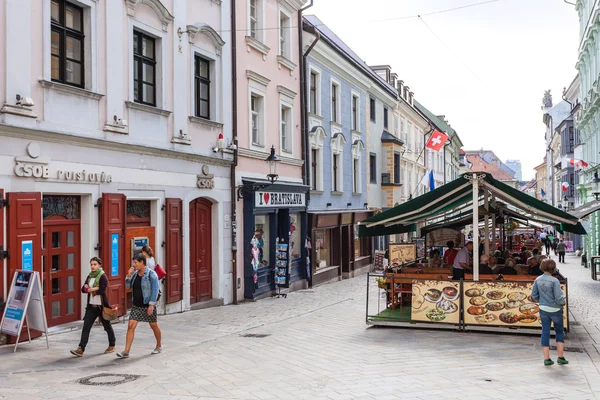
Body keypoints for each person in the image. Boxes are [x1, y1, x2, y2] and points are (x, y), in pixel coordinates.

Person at [117, 254, 161, 358]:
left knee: (153, 326)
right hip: (136, 305)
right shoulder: (135, 274)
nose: (134, 264)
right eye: (134, 262)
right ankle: (126, 351)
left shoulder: (151, 274)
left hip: (147, 305)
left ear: (142, 262)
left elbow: (155, 290)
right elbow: (128, 286)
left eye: (136, 262)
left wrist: (151, 305)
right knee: (131, 326)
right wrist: (128, 275)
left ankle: (158, 345)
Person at [70, 257, 116, 357]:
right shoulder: (90, 276)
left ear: (99, 265)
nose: (93, 266)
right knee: (86, 327)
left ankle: (112, 344)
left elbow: (102, 290)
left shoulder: (102, 276)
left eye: (95, 264)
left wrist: (91, 289)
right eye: (91, 264)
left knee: (107, 326)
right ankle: (81, 349)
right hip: (91, 306)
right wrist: (93, 289)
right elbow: (83, 289)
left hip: (101, 306)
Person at [531, 259, 567, 366]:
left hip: (543, 309)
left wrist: (541, 301)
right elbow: (558, 297)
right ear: (553, 268)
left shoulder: (538, 279)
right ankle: (560, 357)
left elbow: (534, 295)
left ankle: (546, 358)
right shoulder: (554, 281)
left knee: (545, 331)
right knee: (559, 331)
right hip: (555, 309)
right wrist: (563, 303)